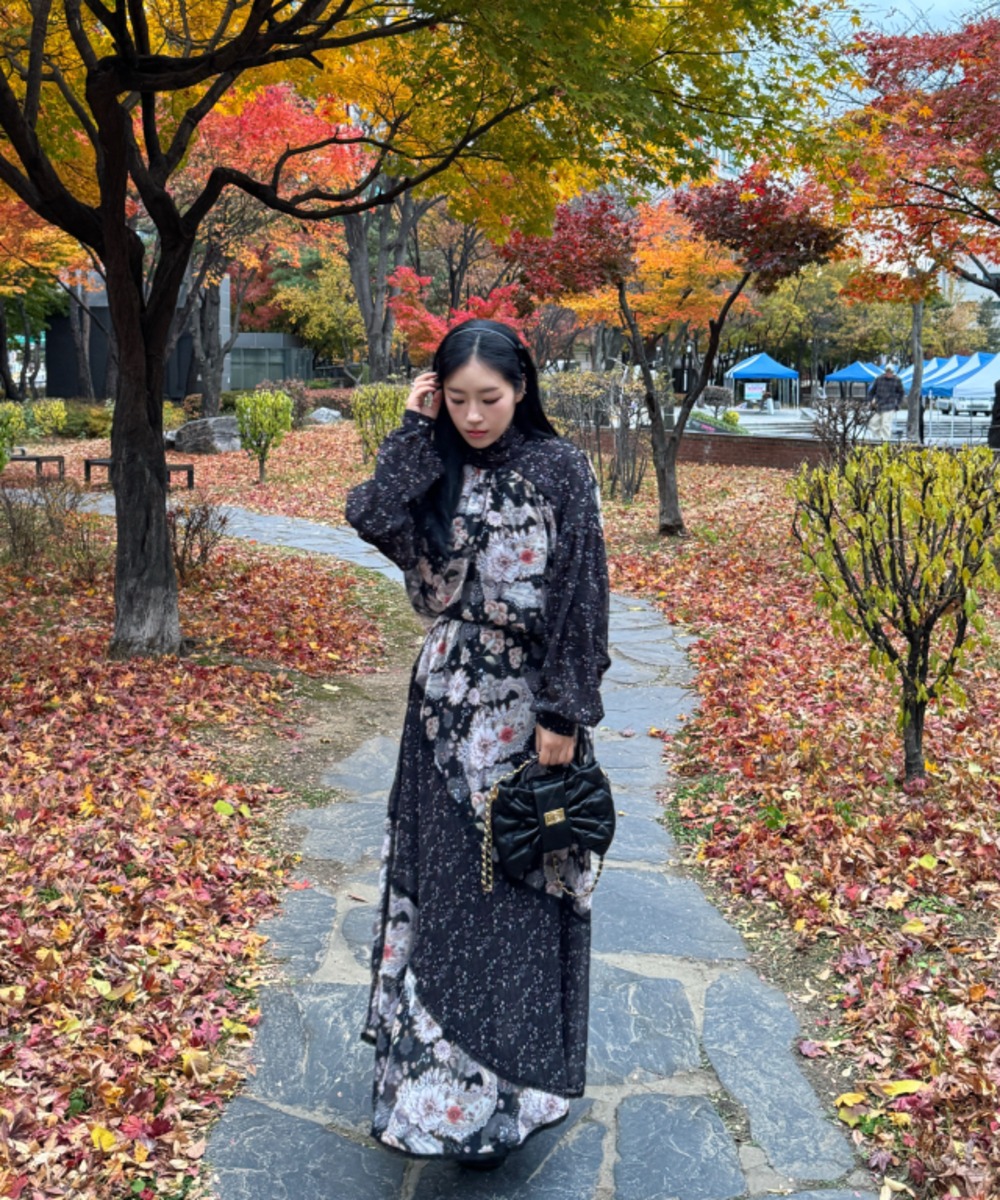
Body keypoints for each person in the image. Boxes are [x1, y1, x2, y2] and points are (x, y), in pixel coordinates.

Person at [345, 319, 611, 1169]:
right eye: (455, 399)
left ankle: (513, 1090)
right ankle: (438, 1096)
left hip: (529, 707)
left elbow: (583, 592)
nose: (472, 415)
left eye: (488, 398)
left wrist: (564, 714)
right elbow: (372, 514)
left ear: (520, 389)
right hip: (444, 709)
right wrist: (412, 427)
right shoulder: (437, 459)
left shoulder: (560, 468)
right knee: (449, 889)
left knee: (520, 888)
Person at [866, 365, 904, 440]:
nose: (889, 374)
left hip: (890, 406)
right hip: (878, 406)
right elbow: (872, 392)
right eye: (887, 372)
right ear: (885, 372)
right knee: (872, 423)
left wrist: (897, 404)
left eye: (890, 372)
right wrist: (870, 401)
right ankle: (878, 438)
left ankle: (885, 441)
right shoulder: (879, 379)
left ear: (893, 372)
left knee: (885, 425)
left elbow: (901, 393)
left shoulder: (897, 380)